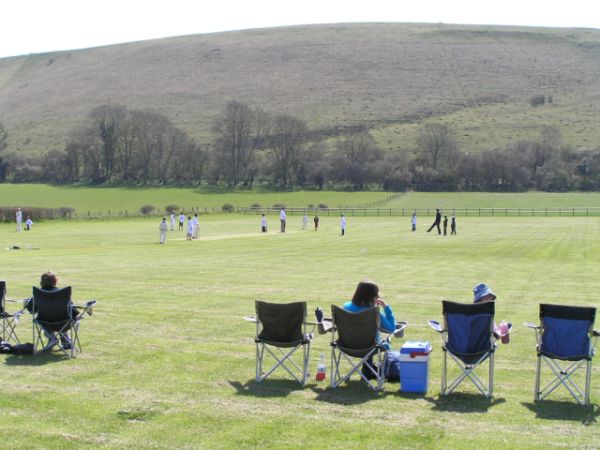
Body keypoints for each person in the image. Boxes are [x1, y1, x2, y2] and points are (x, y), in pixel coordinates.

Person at [343, 280, 397, 379]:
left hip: (346, 345)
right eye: (376, 294)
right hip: (369, 347)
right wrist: (386, 308)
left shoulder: (346, 307)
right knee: (373, 340)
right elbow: (391, 328)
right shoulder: (374, 313)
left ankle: (368, 371)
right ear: (371, 297)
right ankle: (369, 370)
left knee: (364, 337)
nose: (378, 296)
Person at [26, 271, 77, 349]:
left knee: (47, 318)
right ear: (55, 281)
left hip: (45, 324)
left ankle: (52, 339)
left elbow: (31, 309)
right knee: (66, 317)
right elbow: (72, 310)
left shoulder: (38, 294)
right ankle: (65, 340)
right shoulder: (63, 294)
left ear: (41, 283)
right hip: (64, 323)